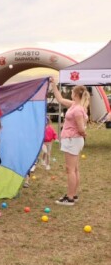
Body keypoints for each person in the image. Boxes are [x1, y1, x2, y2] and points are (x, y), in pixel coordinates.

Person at [50, 78, 90, 206]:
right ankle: (73, 194)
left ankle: (70, 197)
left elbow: (80, 128)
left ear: (76, 94)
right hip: (73, 140)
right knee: (74, 169)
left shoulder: (78, 109)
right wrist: (53, 84)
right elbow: (60, 99)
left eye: (72, 92)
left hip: (73, 140)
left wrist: (84, 132)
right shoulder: (75, 105)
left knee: (70, 169)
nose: (71, 93)